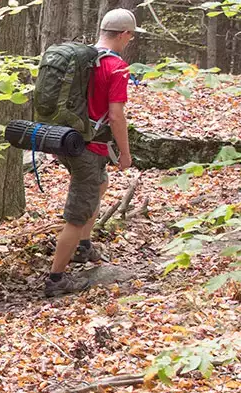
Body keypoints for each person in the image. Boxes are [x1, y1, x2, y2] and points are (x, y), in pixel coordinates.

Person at [45, 9, 140, 296]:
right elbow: (116, 116)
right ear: (123, 34)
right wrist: (125, 154)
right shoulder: (117, 67)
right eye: (131, 36)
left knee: (100, 184)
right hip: (90, 146)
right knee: (77, 214)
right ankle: (56, 279)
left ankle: (83, 247)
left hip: (66, 140)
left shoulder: (82, 58)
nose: (130, 41)